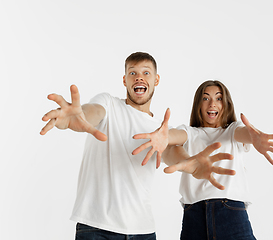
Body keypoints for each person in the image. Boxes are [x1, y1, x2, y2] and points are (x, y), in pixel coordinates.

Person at [40, 53, 235, 240]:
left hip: (143, 232)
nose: (139, 78)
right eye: (133, 73)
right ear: (124, 80)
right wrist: (78, 116)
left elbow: (171, 150)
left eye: (146, 73)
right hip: (96, 228)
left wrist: (192, 163)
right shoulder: (108, 104)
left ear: (156, 80)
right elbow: (93, 112)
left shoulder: (160, 128)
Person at [133, 80, 273, 240]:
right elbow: (175, 135)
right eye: (205, 98)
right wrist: (164, 136)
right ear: (198, 105)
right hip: (194, 217)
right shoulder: (190, 132)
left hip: (231, 214)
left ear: (226, 104)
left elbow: (243, 132)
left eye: (218, 98)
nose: (212, 103)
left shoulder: (231, 131)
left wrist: (255, 137)